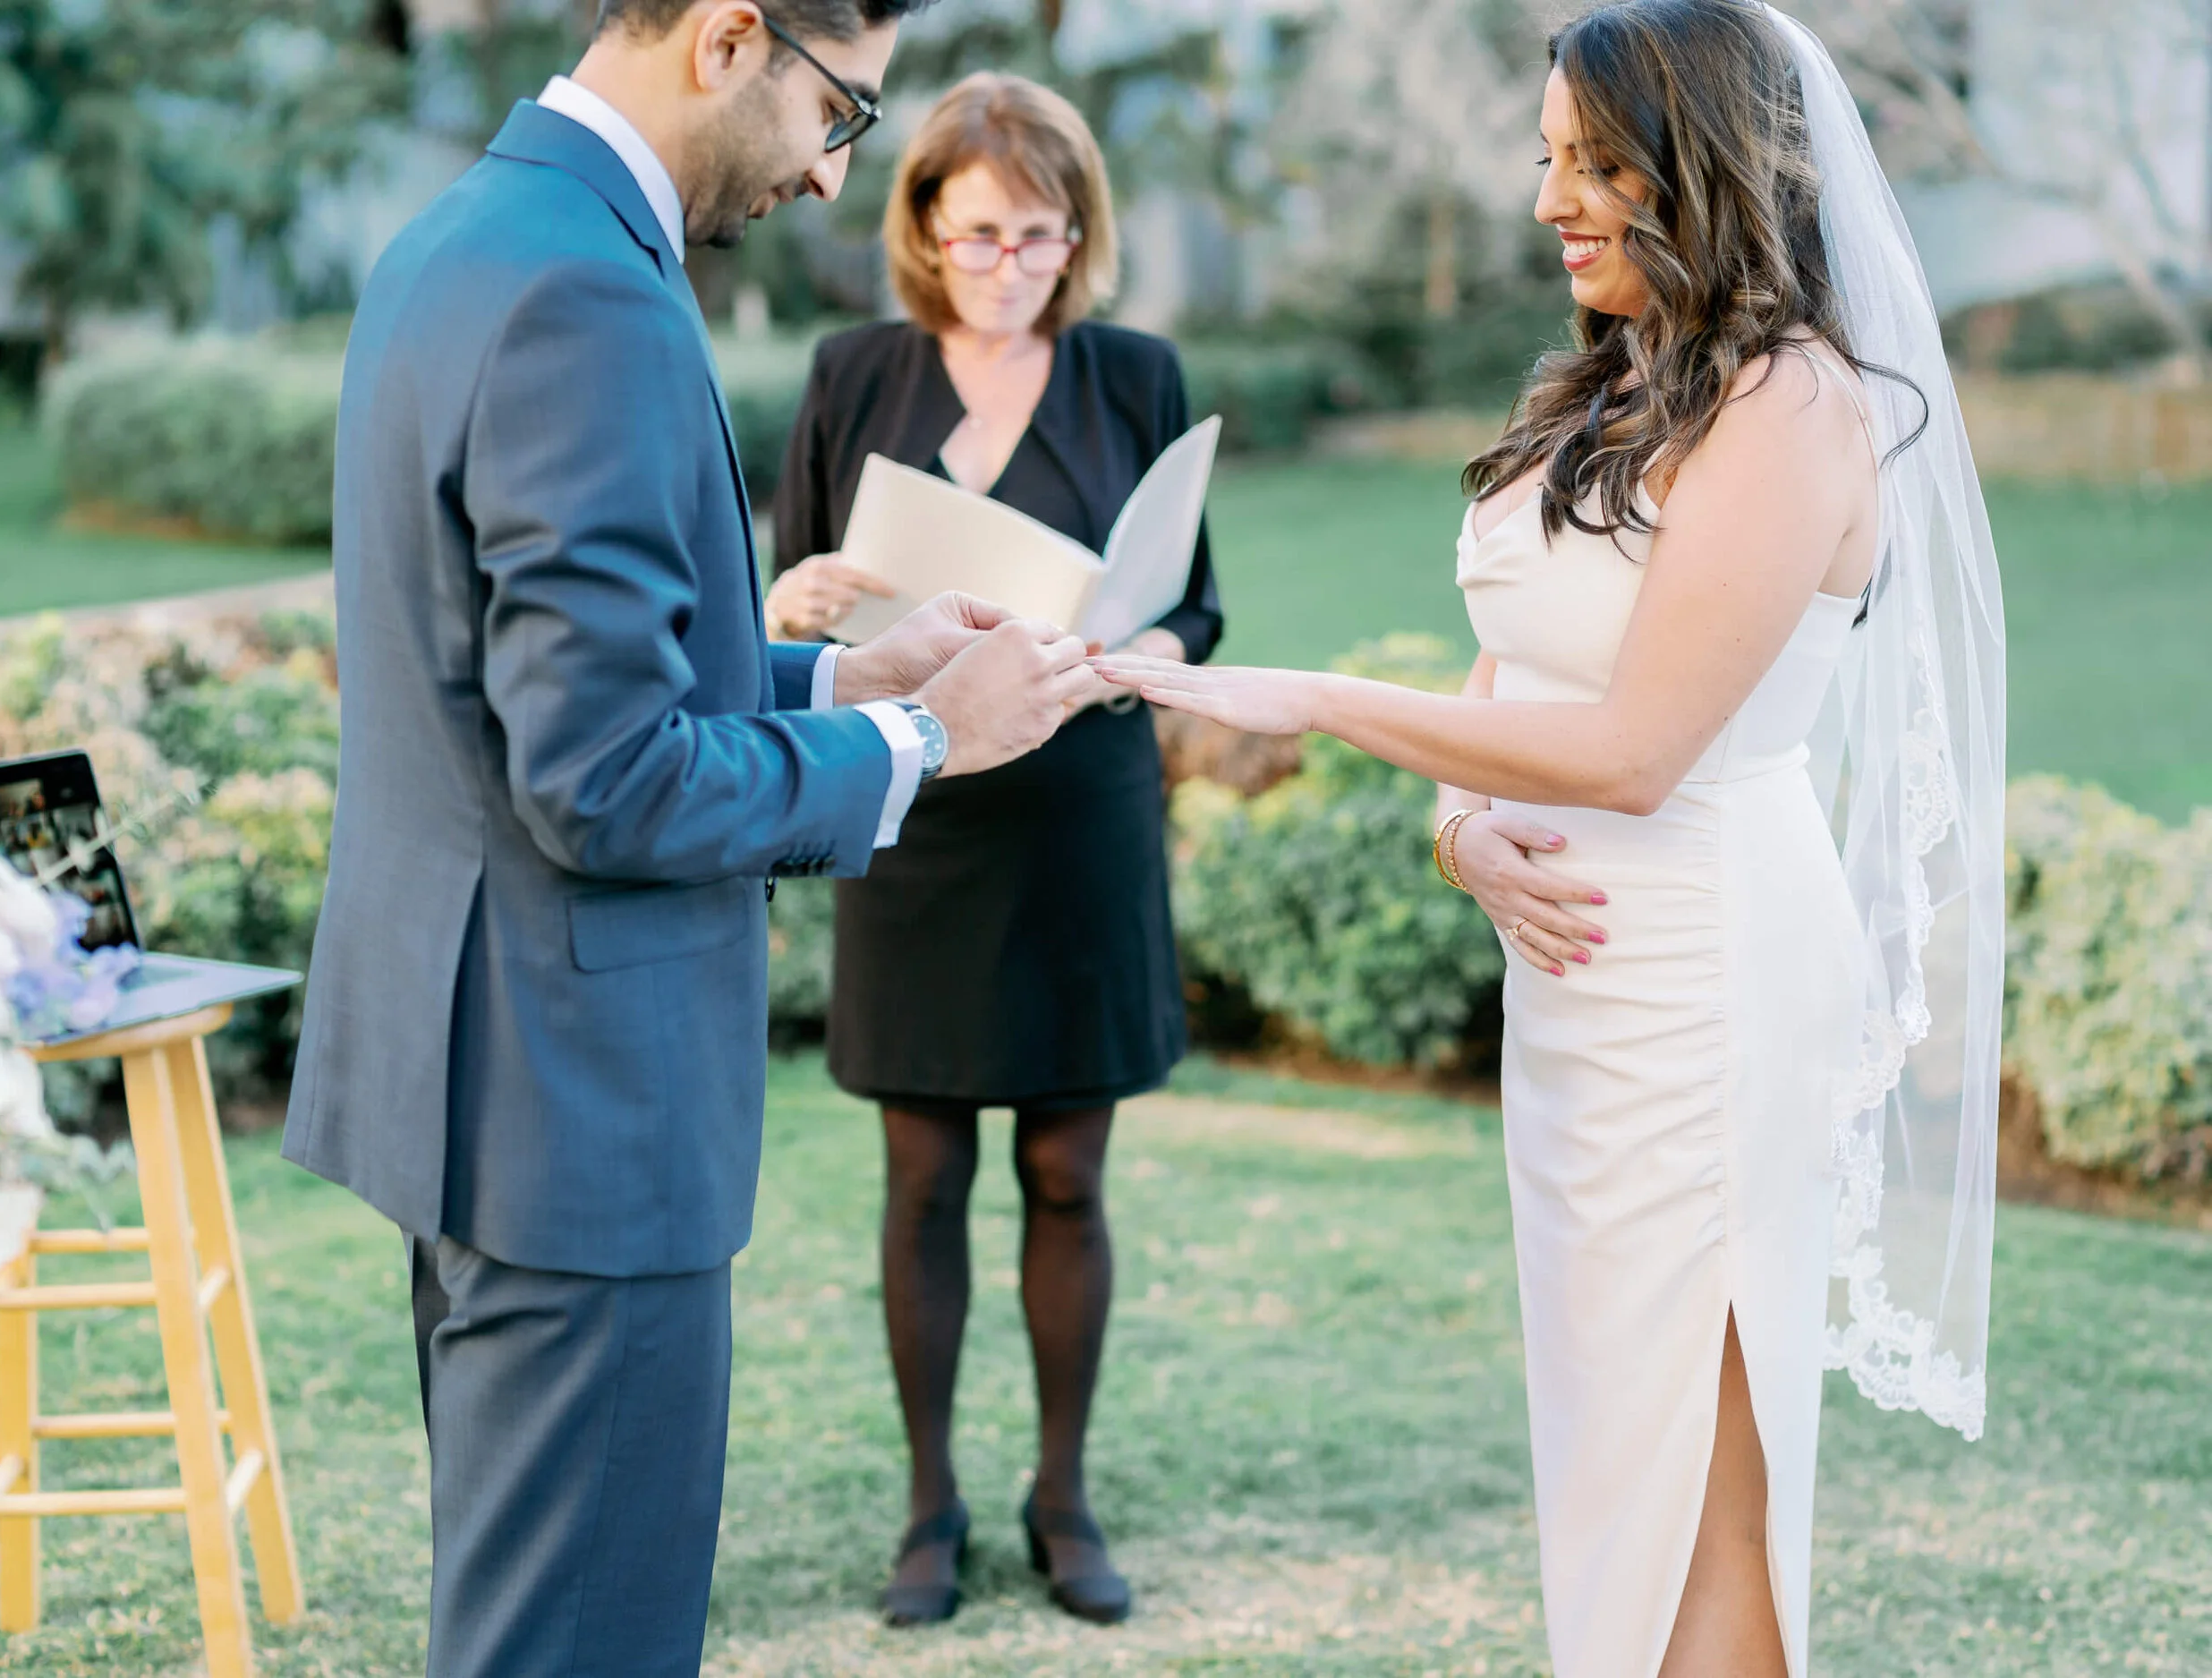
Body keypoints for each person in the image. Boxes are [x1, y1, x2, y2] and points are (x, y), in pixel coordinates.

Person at [1095, 4, 2009, 1674]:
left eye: (1593, 164)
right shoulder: (1614, 379)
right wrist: (1458, 824)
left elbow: (1640, 748)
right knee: (1605, 1451)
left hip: (1712, 978)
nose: (1550, 202)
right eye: (1548, 160)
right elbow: (1526, 659)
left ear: (1702, 167)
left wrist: (1312, 698)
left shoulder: (1795, 407)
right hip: (1582, 988)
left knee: (1703, 1483)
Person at [282, 2, 1112, 1673]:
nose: (827, 175)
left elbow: (525, 674)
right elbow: (602, 778)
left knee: (523, 1616)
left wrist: (839, 671)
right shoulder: (589, 292)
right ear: (733, 38)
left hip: (473, 1075)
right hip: (581, 1110)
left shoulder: (464, 237)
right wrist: (930, 736)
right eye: (842, 111)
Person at [767, 72, 1222, 1630]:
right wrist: (808, 599)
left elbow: (1197, 598)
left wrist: (1145, 638)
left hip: (1079, 814)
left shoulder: (1136, 377)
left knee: (1068, 1170)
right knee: (919, 1175)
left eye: (1038, 237)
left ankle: (1063, 1495)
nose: (1008, 266)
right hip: (912, 812)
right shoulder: (852, 375)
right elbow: (789, 601)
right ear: (922, 230)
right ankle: (929, 1506)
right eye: (977, 236)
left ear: (1077, 236)